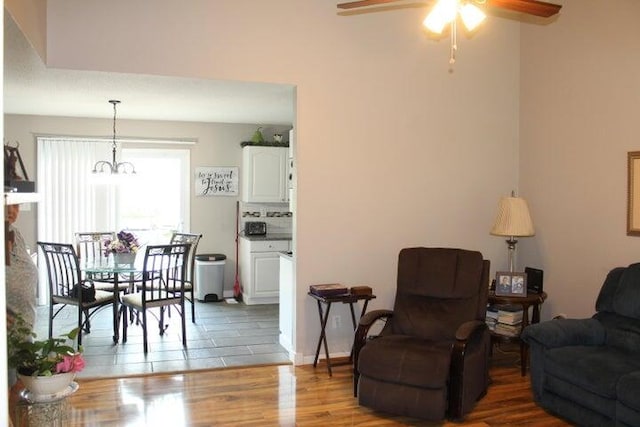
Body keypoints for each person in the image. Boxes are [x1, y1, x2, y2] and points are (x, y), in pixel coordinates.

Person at [5, 203, 38, 331]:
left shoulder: (13, 232)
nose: (11, 210)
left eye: (16, 205)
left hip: (23, 328)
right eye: (6, 204)